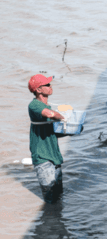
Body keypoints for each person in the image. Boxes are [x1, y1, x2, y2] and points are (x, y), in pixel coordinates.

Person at [28, 74, 66, 203]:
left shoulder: (47, 106)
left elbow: (52, 131)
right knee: (50, 200)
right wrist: (64, 117)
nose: (51, 86)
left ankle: (57, 222)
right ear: (38, 90)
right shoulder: (35, 105)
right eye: (47, 84)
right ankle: (50, 222)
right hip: (43, 158)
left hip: (55, 158)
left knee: (58, 197)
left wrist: (71, 130)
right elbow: (50, 114)